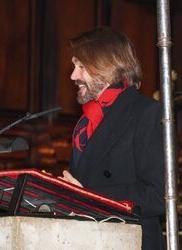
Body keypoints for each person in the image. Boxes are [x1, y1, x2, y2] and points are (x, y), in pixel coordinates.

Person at [61, 27, 165, 250]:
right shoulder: (84, 124)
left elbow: (157, 196)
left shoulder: (146, 113)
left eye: (81, 67)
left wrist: (88, 196)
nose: (73, 76)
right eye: (74, 66)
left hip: (131, 241)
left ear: (105, 66)